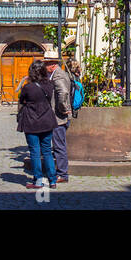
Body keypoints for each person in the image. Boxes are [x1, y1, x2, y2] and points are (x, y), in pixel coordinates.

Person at [17, 58, 60, 190]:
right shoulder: (50, 85)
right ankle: (52, 180)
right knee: (47, 151)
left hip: (31, 121)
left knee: (35, 152)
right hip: (47, 120)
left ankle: (38, 180)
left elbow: (21, 99)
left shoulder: (28, 87)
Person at [44, 52, 73, 184]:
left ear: (53, 64)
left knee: (59, 145)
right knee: (58, 144)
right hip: (58, 116)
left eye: (46, 63)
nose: (44, 65)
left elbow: (63, 93)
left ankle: (62, 174)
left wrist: (62, 109)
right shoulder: (55, 74)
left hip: (59, 117)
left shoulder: (59, 75)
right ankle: (60, 171)